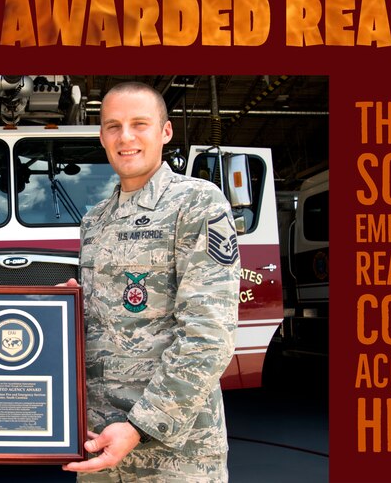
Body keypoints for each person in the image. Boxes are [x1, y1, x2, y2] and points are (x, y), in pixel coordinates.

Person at [64, 81, 241, 481]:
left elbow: (209, 335)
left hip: (174, 453)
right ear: (101, 137)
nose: (125, 137)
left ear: (165, 132)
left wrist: (140, 426)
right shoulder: (95, 221)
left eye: (139, 124)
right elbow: (108, 317)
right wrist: (57, 309)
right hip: (99, 444)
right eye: (113, 126)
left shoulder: (197, 203)